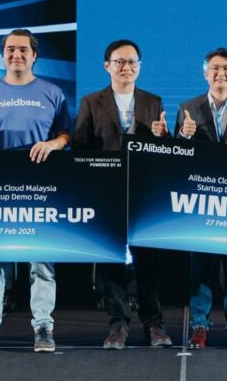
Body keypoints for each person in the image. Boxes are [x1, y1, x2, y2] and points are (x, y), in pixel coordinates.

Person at [0, 29, 72, 353]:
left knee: (41, 261)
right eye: (10, 49)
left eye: (23, 50)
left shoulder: (52, 92)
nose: (16, 55)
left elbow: (66, 134)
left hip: (41, 188)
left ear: (34, 55)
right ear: (3, 54)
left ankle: (43, 328)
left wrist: (52, 144)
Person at [73, 38, 173, 349]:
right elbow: (79, 148)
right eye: (119, 62)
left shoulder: (153, 102)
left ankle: (154, 323)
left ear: (139, 68)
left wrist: (163, 137)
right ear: (107, 66)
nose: (125, 67)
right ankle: (118, 324)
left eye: (131, 62)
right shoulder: (91, 102)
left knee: (148, 262)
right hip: (107, 193)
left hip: (144, 194)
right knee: (111, 261)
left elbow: (164, 153)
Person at [176, 47, 227, 350]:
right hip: (200, 199)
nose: (220, 73)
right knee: (200, 266)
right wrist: (184, 136)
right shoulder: (188, 108)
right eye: (214, 68)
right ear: (205, 73)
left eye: (226, 68)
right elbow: (176, 157)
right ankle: (199, 325)